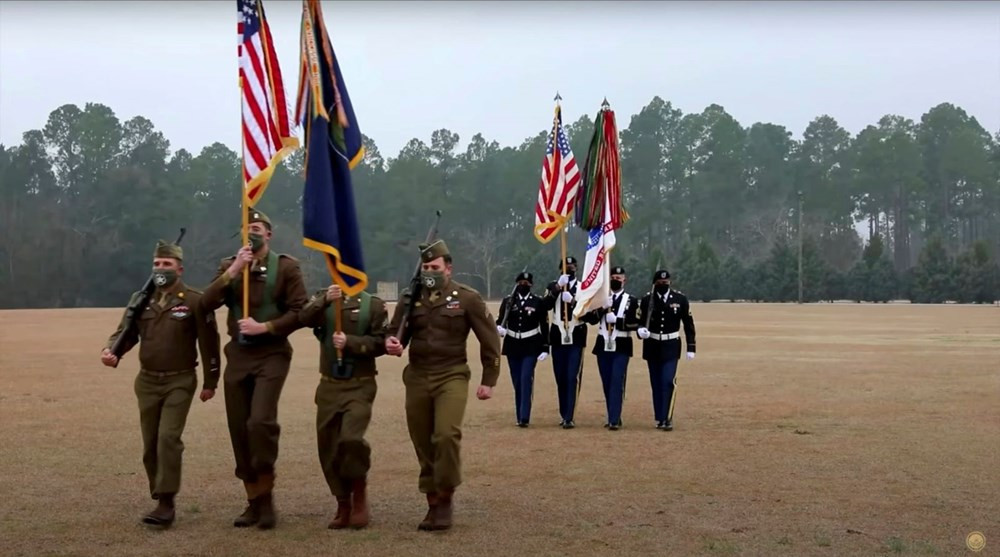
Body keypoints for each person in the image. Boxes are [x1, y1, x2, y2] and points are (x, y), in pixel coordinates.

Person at [100, 240, 221, 528]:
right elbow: (125, 332)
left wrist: (210, 381)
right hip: (147, 381)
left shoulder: (194, 300)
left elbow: (209, 343)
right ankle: (159, 490)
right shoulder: (141, 299)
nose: (160, 269)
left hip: (180, 380)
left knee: (168, 438)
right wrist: (111, 352)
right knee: (150, 444)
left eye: (166, 264)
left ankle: (166, 502)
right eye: (157, 264)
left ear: (179, 268)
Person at [201, 208, 309, 529]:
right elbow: (204, 303)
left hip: (272, 354)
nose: (253, 232)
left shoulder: (286, 267)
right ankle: (255, 501)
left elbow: (301, 311)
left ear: (269, 234)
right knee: (239, 428)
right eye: (248, 227)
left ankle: (267, 489)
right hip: (239, 356)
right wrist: (234, 270)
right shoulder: (229, 267)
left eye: (258, 227)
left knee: (260, 421)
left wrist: (266, 327)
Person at [384, 239, 501, 531]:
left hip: (452, 375)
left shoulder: (467, 298)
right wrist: (392, 343)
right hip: (418, 376)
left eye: (435, 267)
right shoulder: (411, 298)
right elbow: (395, 333)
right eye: (425, 267)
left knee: (446, 435)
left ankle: (446, 497)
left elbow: (490, 340)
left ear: (448, 269)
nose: (429, 272)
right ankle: (432, 500)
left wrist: (489, 380)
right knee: (423, 441)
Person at [299, 283, 389, 530]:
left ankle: (358, 493)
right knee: (327, 446)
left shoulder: (374, 305)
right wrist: (326, 298)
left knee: (350, 439)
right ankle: (342, 501)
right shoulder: (325, 299)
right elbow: (304, 318)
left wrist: (350, 342)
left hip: (360, 384)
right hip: (329, 385)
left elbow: (381, 343)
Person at [580, 266, 640, 430]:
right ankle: (613, 414)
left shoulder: (632, 300)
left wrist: (619, 321)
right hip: (603, 345)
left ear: (624, 280)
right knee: (606, 382)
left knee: (616, 381)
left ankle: (614, 418)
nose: (615, 280)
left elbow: (636, 323)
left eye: (618, 278)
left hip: (621, 344)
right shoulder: (601, 298)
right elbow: (588, 319)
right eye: (613, 277)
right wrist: (602, 309)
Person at [636, 270, 696, 431]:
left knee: (668, 381)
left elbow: (688, 324)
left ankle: (667, 418)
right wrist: (640, 331)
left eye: (666, 282)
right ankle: (660, 417)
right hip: (653, 345)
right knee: (656, 383)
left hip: (671, 345)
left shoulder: (680, 299)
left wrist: (691, 347)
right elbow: (640, 321)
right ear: (655, 283)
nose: (664, 284)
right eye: (660, 282)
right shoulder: (647, 300)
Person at [495, 271, 549, 427]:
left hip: (531, 345)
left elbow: (544, 326)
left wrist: (545, 347)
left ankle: (524, 416)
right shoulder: (508, 302)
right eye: (520, 283)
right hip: (512, 345)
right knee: (517, 381)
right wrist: (499, 328)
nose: (523, 286)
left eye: (526, 283)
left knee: (526, 379)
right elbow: (499, 321)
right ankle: (519, 415)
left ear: (531, 285)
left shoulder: (537, 302)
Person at [541, 256, 588, 429]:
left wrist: (574, 302)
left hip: (576, 335)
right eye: (566, 266)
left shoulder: (584, 287)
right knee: (560, 377)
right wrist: (558, 289)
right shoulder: (552, 286)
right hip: (558, 336)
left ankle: (570, 415)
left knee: (572, 377)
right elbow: (544, 306)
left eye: (572, 265)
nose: (570, 268)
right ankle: (563, 413)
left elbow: (590, 315)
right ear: (560, 268)